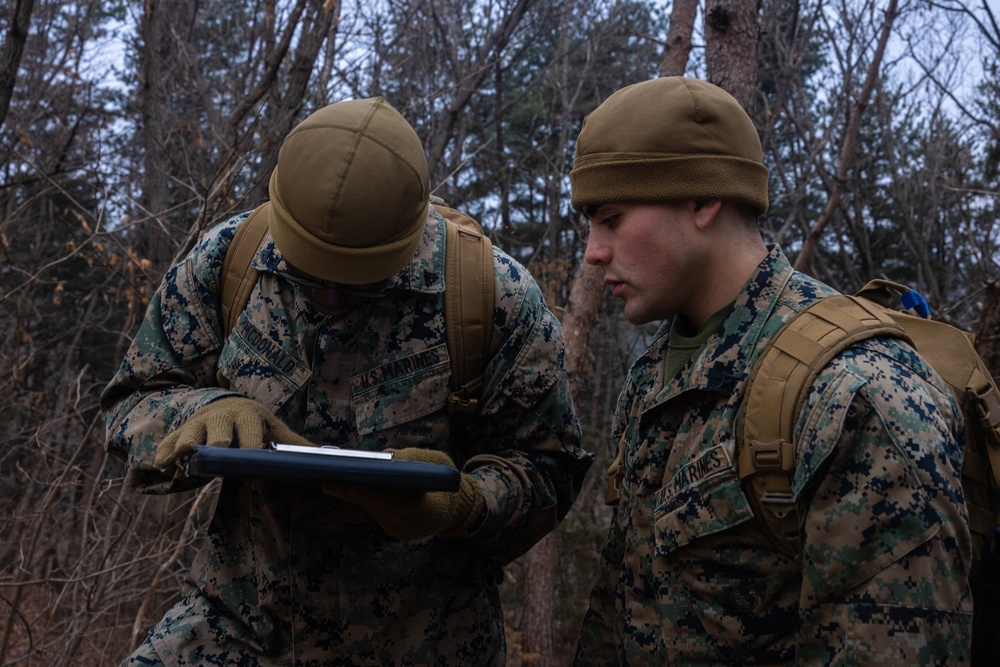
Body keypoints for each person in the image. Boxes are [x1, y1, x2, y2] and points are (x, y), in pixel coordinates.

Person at [102, 96, 592, 666]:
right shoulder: (228, 260)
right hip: (239, 623)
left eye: (358, 285)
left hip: (425, 641)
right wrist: (200, 414)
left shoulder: (492, 298)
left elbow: (549, 471)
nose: (330, 299)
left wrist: (461, 504)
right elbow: (131, 401)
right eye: (308, 277)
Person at [569, 76, 973, 665]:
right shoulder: (656, 370)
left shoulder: (856, 392)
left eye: (611, 219)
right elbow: (621, 601)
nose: (592, 251)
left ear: (703, 200)